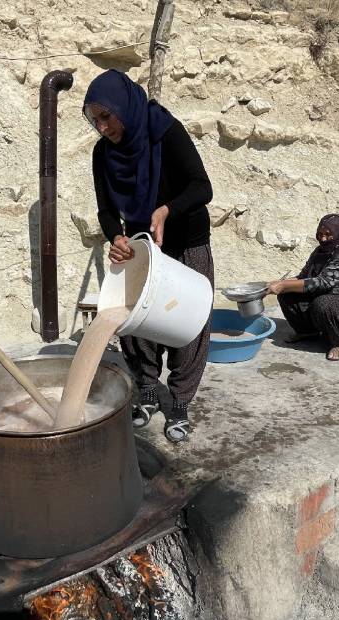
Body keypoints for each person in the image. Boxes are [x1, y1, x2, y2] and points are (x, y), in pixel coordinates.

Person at [84, 69, 214, 444]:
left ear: (124, 106)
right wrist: (116, 236)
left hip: (185, 237)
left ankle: (180, 403)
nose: (103, 127)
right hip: (143, 244)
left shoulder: (164, 132)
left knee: (188, 319)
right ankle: (149, 392)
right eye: (95, 121)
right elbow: (106, 209)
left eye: (107, 116)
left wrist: (166, 210)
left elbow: (201, 186)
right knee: (134, 320)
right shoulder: (103, 154)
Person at [267, 214, 339, 361]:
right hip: (330, 297)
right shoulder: (320, 251)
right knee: (287, 293)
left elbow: (325, 282)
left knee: (323, 303)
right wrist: (276, 285)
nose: (323, 239)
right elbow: (304, 277)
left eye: (328, 235)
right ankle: (307, 332)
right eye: (320, 234)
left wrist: (284, 285)